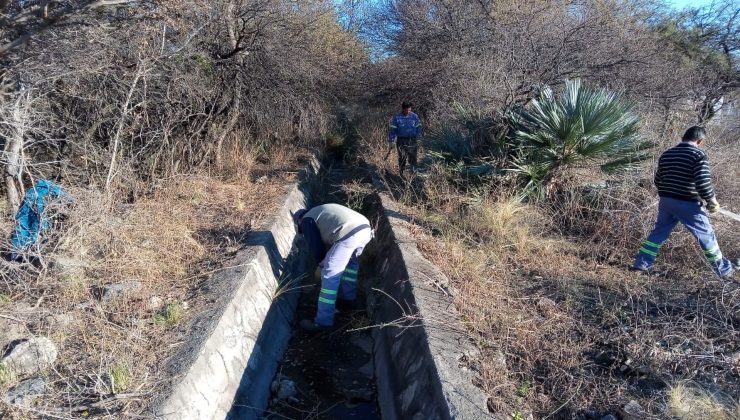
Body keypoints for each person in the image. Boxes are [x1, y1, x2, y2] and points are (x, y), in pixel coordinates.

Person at [633, 126, 736, 279]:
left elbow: (658, 180)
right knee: (706, 235)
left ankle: (641, 264)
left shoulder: (667, 154)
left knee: (659, 233)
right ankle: (723, 270)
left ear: (683, 137)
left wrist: (669, 193)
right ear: (700, 141)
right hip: (687, 203)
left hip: (666, 201)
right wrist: (711, 201)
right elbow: (703, 182)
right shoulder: (698, 155)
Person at [292, 203, 373, 331]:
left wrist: (321, 266)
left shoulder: (306, 220)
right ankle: (349, 300)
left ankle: (323, 322)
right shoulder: (319, 211)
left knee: (329, 275)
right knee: (350, 266)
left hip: (347, 234)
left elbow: (317, 247)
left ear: (298, 221)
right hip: (365, 229)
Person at [388, 102, 422, 175]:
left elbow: (418, 128)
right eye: (406, 110)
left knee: (413, 158)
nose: (408, 111)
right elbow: (392, 130)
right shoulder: (397, 117)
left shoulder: (415, 116)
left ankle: (413, 174)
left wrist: (419, 138)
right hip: (401, 140)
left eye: (409, 110)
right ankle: (401, 173)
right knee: (402, 158)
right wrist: (391, 141)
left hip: (412, 140)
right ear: (403, 109)